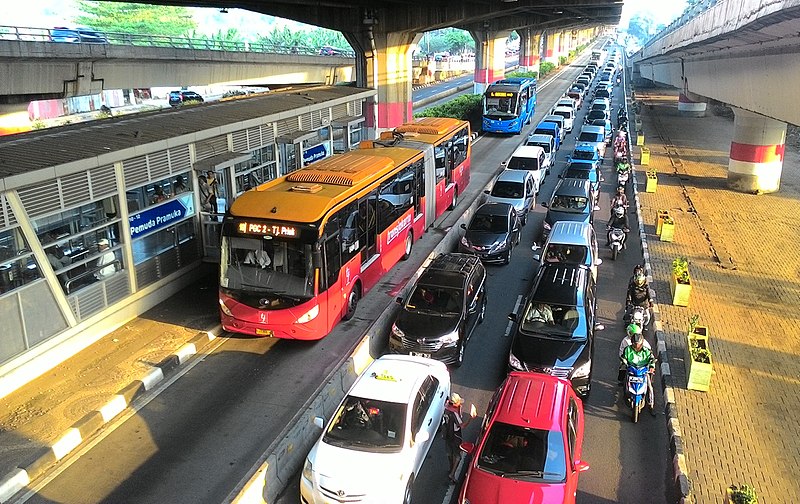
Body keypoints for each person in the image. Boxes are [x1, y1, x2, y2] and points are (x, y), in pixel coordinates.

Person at [442, 393, 476, 484]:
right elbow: (462, 425)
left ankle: (450, 469)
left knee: (449, 453)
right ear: (455, 403)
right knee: (458, 456)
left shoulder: (446, 408)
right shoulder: (454, 413)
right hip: (455, 436)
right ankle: (452, 474)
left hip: (447, 435)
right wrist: (470, 418)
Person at [620, 329, 656, 415]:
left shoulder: (647, 351)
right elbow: (623, 357)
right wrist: (624, 362)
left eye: (638, 344)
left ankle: (651, 404)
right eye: (635, 344)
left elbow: (652, 359)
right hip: (631, 369)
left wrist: (651, 366)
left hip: (643, 371)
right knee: (624, 376)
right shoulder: (627, 350)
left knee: (650, 387)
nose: (637, 346)